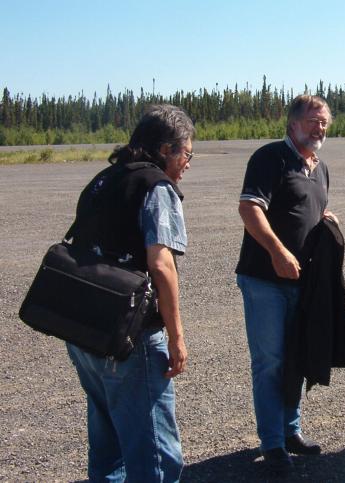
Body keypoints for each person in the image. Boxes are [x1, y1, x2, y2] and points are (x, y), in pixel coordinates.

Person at [66, 104, 195, 482]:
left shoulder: (105, 178)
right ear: (167, 149)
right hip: (130, 336)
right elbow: (161, 265)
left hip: (85, 330)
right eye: (187, 153)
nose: (188, 162)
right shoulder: (157, 187)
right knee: (154, 455)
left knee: (108, 448)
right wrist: (176, 336)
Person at [236, 94, 337, 474]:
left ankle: (290, 430)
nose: (320, 127)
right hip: (264, 280)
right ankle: (273, 443)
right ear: (292, 123)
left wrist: (325, 217)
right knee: (271, 362)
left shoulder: (320, 167)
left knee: (296, 358)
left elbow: (303, 206)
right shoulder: (270, 158)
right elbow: (250, 208)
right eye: (313, 120)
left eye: (324, 121)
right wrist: (278, 251)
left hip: (304, 282)